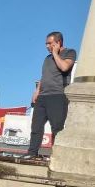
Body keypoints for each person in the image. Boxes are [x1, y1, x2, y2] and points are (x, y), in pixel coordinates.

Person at [25, 31, 76, 159]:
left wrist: (55, 53)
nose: (47, 46)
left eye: (50, 43)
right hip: (42, 96)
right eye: (46, 44)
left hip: (58, 96)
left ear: (58, 42)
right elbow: (44, 76)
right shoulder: (47, 59)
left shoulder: (69, 52)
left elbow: (64, 67)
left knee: (57, 128)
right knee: (36, 127)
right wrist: (37, 91)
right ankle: (32, 153)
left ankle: (57, 156)